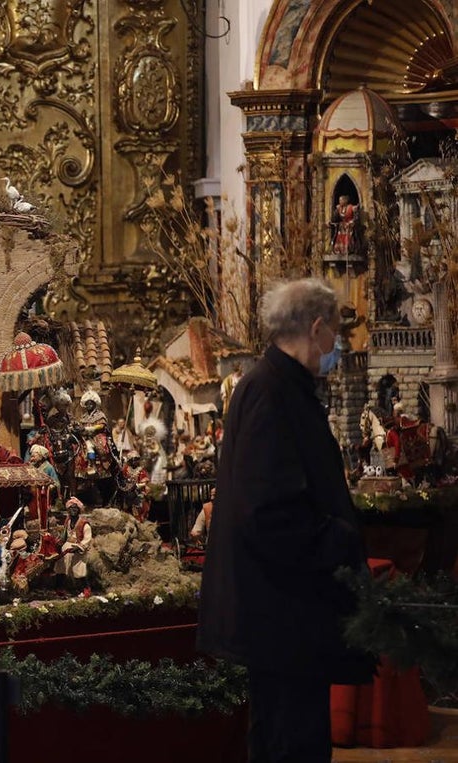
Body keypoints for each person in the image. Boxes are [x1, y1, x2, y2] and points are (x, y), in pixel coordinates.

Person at [197, 278, 371, 763]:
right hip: (281, 615)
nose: (335, 345)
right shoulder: (270, 392)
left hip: (286, 616)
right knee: (289, 745)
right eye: (334, 332)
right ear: (316, 328)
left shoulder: (279, 386)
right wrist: (336, 538)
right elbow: (267, 510)